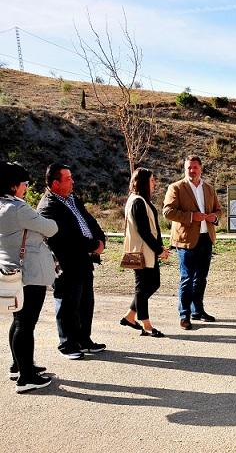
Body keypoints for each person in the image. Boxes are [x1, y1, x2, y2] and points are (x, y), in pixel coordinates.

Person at [37, 163, 107, 359]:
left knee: (85, 302)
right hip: (65, 262)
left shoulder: (72, 199)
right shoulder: (48, 206)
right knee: (67, 302)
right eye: (68, 178)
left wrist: (101, 240)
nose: (73, 181)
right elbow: (65, 237)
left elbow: (89, 221)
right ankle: (67, 344)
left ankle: (84, 340)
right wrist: (93, 245)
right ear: (55, 183)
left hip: (83, 260)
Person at [0, 163, 58, 393]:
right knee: (26, 324)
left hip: (11, 270)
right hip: (30, 272)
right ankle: (26, 377)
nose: (26, 187)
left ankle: (19, 365)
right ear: (13, 185)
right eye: (24, 184)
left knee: (18, 320)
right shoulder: (18, 209)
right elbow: (51, 227)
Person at [163, 155, 221, 330]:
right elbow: (167, 212)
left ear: (200, 168)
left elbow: (218, 210)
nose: (192, 170)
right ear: (185, 169)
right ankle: (184, 315)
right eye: (189, 167)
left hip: (206, 238)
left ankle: (198, 311)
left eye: (195, 167)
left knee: (201, 278)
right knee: (187, 278)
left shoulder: (209, 189)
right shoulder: (176, 188)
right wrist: (191, 216)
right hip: (185, 240)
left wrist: (215, 217)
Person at [120, 168, 170, 338]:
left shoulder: (140, 200)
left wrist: (159, 248)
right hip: (140, 252)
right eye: (151, 180)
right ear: (143, 182)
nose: (154, 183)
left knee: (152, 283)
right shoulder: (137, 201)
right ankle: (146, 325)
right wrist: (158, 250)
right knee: (142, 287)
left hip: (147, 252)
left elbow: (152, 228)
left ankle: (130, 316)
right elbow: (143, 231)